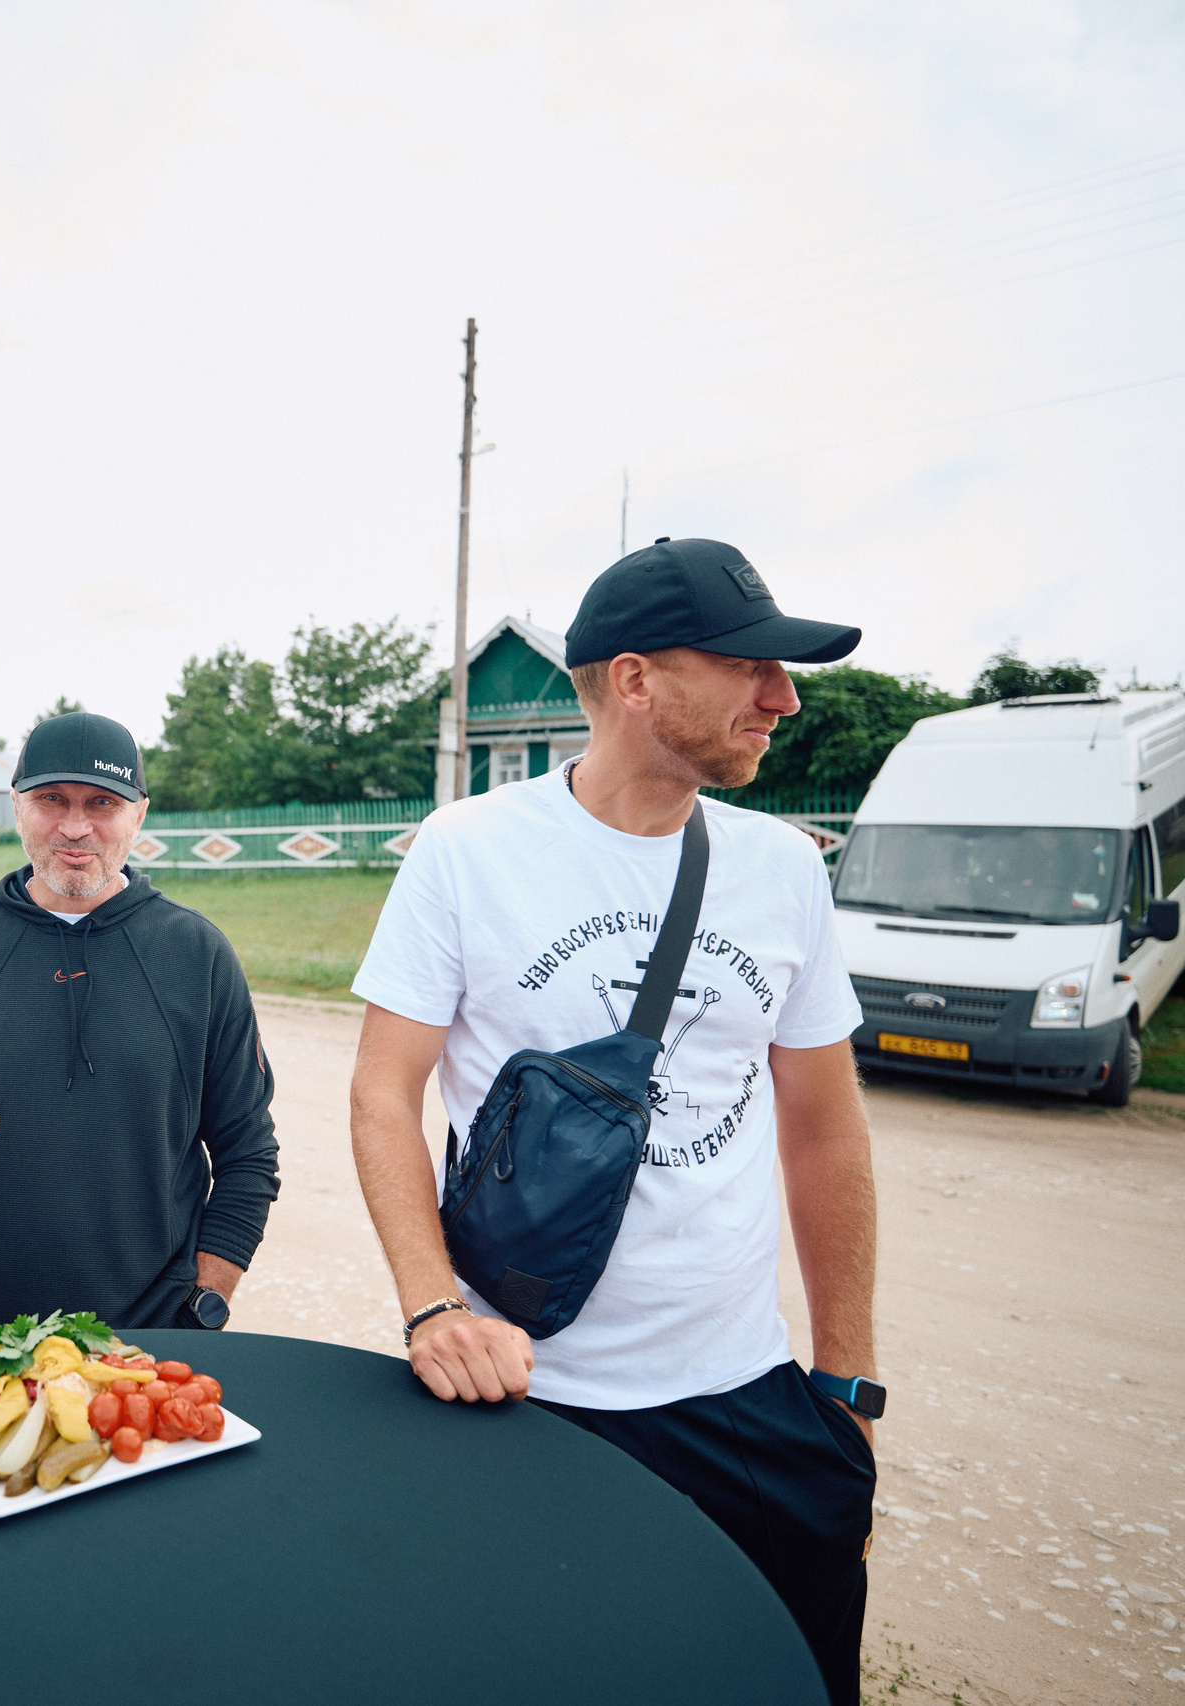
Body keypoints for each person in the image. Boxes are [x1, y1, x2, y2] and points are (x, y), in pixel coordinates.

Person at [348, 538, 881, 1705]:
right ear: (634, 680)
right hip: (530, 1395)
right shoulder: (466, 852)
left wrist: (845, 1382)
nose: (783, 697)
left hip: (753, 1405)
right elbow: (383, 1091)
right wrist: (433, 1304)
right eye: (752, 666)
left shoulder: (781, 868)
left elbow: (826, 1131)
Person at [0, 709, 279, 1350]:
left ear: (139, 813)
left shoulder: (196, 953)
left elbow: (248, 1155)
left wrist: (203, 1306)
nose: (76, 825)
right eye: (52, 799)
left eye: (102, 803)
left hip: (153, 1338)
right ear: (17, 806)